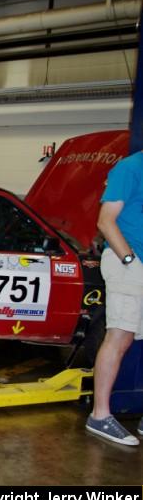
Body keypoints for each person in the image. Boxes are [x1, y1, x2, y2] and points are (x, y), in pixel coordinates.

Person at [86, 150, 143, 446]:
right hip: (129, 264)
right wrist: (130, 260)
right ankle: (100, 415)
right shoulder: (130, 168)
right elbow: (106, 221)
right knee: (119, 336)